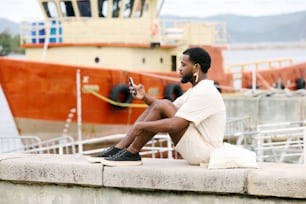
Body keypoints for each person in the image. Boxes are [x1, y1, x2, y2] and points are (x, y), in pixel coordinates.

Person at [88, 47, 226, 166]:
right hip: (197, 149)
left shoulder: (205, 92)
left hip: (204, 152)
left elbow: (174, 125)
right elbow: (162, 108)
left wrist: (140, 126)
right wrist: (144, 96)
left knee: (163, 104)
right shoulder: (195, 90)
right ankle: (120, 148)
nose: (179, 69)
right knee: (162, 104)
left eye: (183, 65)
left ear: (196, 67)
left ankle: (131, 152)